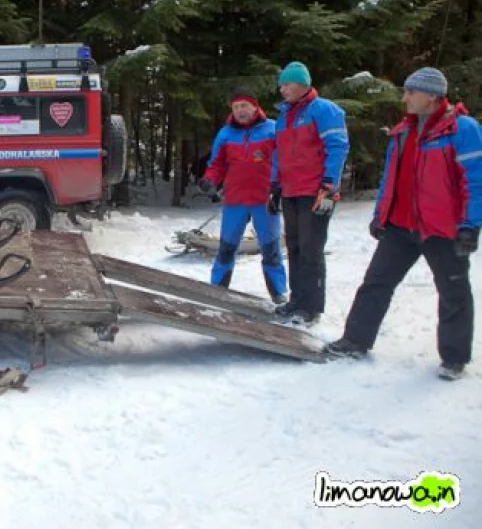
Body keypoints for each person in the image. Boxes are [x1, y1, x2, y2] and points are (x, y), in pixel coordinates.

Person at [323, 67, 482, 381]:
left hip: (442, 228)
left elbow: (475, 182)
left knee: (453, 291)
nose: (405, 97)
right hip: (400, 226)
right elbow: (390, 178)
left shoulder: (462, 129)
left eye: (412, 92)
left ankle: (454, 358)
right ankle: (355, 340)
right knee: (375, 284)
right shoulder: (402, 131)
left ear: (433, 96)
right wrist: (380, 214)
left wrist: (470, 225)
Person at [269, 61, 350, 325]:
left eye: (287, 84)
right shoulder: (284, 116)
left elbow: (337, 147)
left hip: (316, 191)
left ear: (303, 83)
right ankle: (297, 300)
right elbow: (279, 155)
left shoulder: (325, 110)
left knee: (310, 248)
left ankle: (311, 307)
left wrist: (329, 186)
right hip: (291, 190)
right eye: (281, 85)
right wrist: (274, 186)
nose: (282, 89)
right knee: (293, 246)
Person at [198, 92, 287, 302]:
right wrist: (210, 180)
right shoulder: (226, 134)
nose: (240, 111)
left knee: (271, 249)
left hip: (265, 200)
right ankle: (216, 291)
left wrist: (280, 189)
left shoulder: (273, 129)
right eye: (236, 107)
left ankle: (279, 293)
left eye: (245, 106)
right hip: (235, 200)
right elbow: (216, 164)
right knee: (226, 248)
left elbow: (284, 161)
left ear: (256, 108)